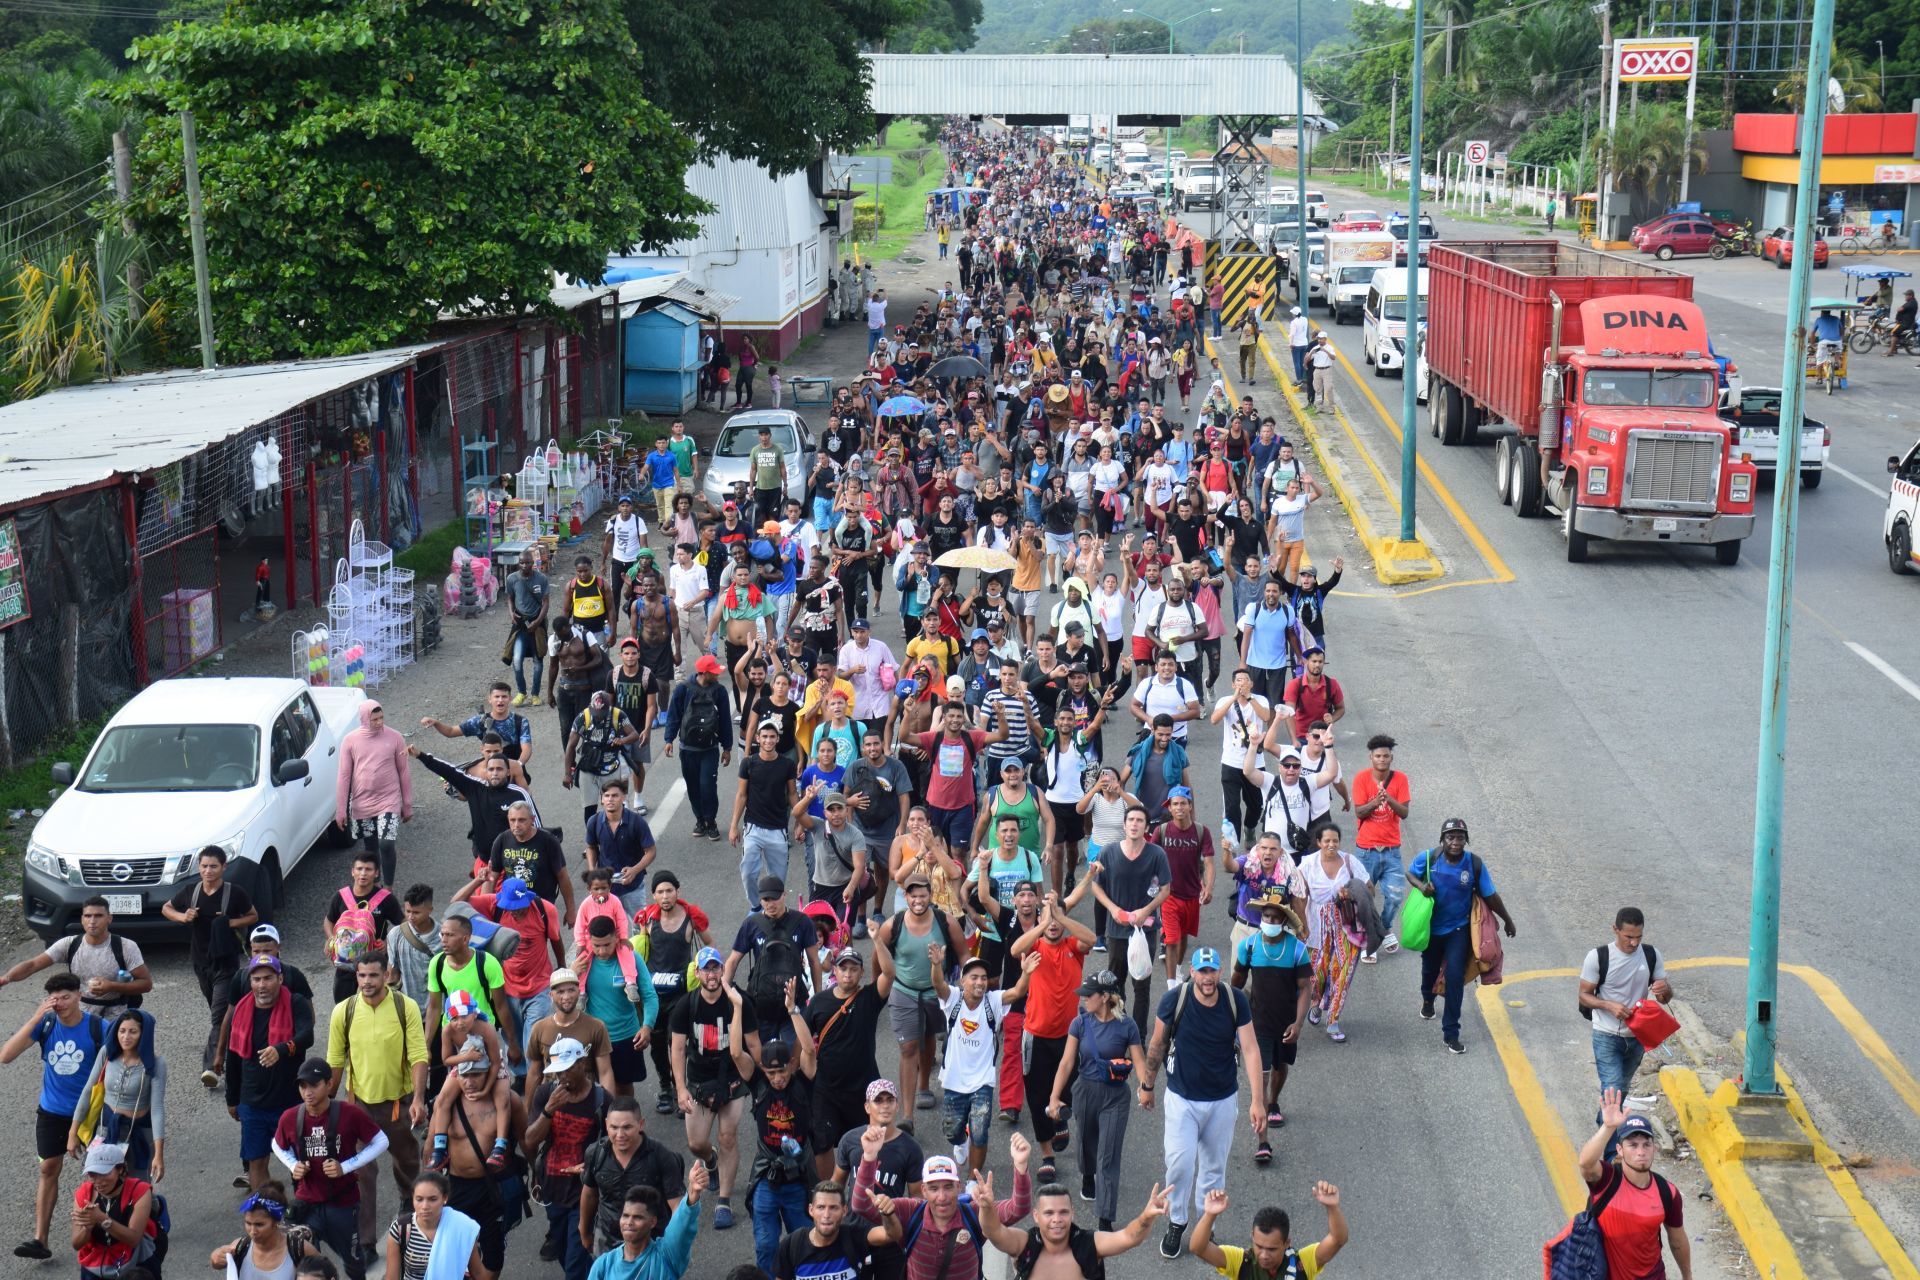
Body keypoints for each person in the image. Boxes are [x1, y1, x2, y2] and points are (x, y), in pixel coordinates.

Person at [1138, 948, 1266, 1260]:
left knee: (1213, 1169)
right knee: (1179, 1164)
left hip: (1222, 1099)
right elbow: (1157, 1044)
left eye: (1212, 971)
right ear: (1192, 973)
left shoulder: (1235, 1000)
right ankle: (1177, 1221)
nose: (1207, 978)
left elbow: (1250, 1049)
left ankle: (1205, 1225)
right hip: (1182, 1098)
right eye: (1201, 972)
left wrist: (1258, 1101)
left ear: (1219, 972)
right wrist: (1147, 1085)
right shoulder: (1174, 1000)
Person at [324, 954, 429, 1260]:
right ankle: (366, 1242)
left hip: (399, 1104)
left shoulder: (404, 1007)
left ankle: (411, 1216)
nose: (367, 982)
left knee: (407, 1162)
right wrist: (327, 1104)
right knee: (362, 1172)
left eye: (373, 975)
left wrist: (419, 1099)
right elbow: (335, 1061)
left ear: (386, 975)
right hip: (359, 1107)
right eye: (362, 976)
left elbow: (419, 1055)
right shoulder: (344, 1011)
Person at [3, 974, 109, 1259]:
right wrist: (36, 1016)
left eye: (65, 996)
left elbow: (120, 1065)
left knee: (100, 1174)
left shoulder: (99, 1028)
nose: (59, 1003)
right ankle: (40, 1240)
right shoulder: (46, 1025)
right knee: (48, 1169)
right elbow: (6, 1055)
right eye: (53, 998)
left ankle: (103, 1230)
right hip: (52, 1110)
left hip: (89, 1114)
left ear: (79, 995)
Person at [850, 1128, 1032, 1280]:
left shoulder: (976, 1212)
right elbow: (861, 1206)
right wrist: (869, 1156)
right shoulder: (910, 1211)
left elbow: (1019, 1208)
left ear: (959, 1187)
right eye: (934, 1188)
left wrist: (1021, 1166)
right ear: (923, 1191)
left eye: (948, 1187)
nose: (942, 1196)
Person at [1407, 817, 1517, 1054]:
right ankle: (1428, 999)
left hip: (1459, 930)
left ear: (1466, 840)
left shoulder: (1474, 864)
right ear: (1442, 839)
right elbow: (1410, 874)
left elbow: (1490, 895)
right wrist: (1420, 885)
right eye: (1450, 837)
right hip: (1431, 929)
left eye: (1460, 837)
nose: (1455, 842)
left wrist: (1507, 919)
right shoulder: (1429, 858)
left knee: (1455, 978)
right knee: (1430, 970)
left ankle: (1451, 1033)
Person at [275, 1058, 390, 1280]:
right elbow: (276, 1145)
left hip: (343, 1205)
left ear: (329, 1085)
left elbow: (381, 1141)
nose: (307, 1092)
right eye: (303, 1086)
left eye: (314, 1085)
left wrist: (345, 1167)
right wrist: (293, 1165)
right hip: (307, 1203)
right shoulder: (291, 1117)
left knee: (355, 1265)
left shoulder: (349, 1113)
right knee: (304, 1265)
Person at [730, 992, 818, 1275]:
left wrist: (793, 1011)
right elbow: (735, 1052)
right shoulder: (759, 1086)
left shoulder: (802, 1083)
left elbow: (809, 1050)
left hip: (798, 1176)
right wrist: (738, 1007)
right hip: (767, 1176)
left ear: (791, 1067)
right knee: (766, 1245)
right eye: (771, 1073)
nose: (777, 1079)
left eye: (781, 1072)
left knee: (804, 1244)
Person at [670, 947, 757, 1231]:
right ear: (697, 973)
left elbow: (752, 1041)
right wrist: (681, 1089)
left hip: (732, 1079)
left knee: (728, 1135)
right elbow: (678, 1048)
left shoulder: (738, 1001)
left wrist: (762, 1077)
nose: (711, 974)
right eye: (706, 969)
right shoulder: (686, 1005)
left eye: (715, 968)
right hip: (698, 1081)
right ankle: (712, 1160)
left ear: (723, 971)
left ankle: (724, 1200)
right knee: (696, 1143)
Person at [163, 845, 258, 1088]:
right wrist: (182, 917)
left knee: (219, 1016)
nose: (208, 871)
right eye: (204, 866)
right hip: (200, 962)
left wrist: (229, 922)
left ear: (224, 867)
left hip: (226, 963)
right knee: (223, 1013)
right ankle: (244, 1041)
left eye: (213, 866)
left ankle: (212, 1068)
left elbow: (253, 916)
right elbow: (167, 908)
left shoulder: (234, 893)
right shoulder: (190, 892)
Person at [932, 953, 1035, 1176]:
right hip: (954, 1080)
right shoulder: (953, 999)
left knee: (980, 1132)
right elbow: (939, 984)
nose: (980, 982)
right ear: (962, 980)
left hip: (982, 1083)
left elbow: (1017, 992)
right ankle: (961, 1141)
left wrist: (1026, 972)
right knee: (952, 1131)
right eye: (974, 977)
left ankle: (972, 1178)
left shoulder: (994, 1000)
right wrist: (936, 964)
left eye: (984, 978)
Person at [875, 876, 969, 1115]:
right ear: (905, 897)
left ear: (931, 895)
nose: (918, 900)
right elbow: (878, 957)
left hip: (936, 992)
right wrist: (879, 987)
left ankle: (924, 1086)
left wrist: (968, 982)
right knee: (908, 1047)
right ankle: (907, 1115)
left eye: (922, 895)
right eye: (913, 896)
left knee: (927, 1038)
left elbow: (963, 954)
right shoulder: (892, 924)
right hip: (903, 991)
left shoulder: (945, 922)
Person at [1230, 892, 1313, 1159]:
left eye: (1276, 918)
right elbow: (1237, 984)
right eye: (1266, 916)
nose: (1270, 921)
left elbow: (1305, 989)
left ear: (1284, 922)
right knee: (1260, 1081)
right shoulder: (1249, 946)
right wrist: (1229, 1016)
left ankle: (1274, 1101)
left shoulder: (1297, 950)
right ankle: (1263, 1142)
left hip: (1287, 1024)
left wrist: (1298, 1024)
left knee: (1281, 1067)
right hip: (1257, 1026)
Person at [1577, 1091, 1691, 1280]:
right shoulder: (1606, 1180)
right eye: (1633, 1145)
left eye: (1646, 1145)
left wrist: (1688, 1276)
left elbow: (1677, 1240)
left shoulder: (1666, 1192)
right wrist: (1608, 1127)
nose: (1641, 1152)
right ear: (1620, 1150)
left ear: (1654, 1148)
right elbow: (1586, 1164)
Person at [1580, 907, 1672, 1131]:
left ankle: (1603, 1126)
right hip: (1605, 1034)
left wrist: (1664, 989)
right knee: (1613, 1091)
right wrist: (1608, 1005)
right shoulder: (1598, 956)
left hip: (1637, 1036)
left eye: (1638, 937)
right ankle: (1610, 1152)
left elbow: (1665, 997)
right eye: (1628, 937)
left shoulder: (1651, 955)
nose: (1633, 943)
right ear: (1615, 930)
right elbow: (1583, 995)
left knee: (1620, 1089)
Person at [229, 956, 317, 1191]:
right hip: (252, 1103)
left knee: (300, 1162)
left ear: (280, 979)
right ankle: (266, 1216)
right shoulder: (242, 1009)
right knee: (257, 1162)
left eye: (268, 978)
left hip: (289, 1102)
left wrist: (281, 1049)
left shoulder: (295, 1002)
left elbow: (307, 1036)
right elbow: (234, 1057)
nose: (262, 984)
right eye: (256, 979)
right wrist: (232, 1099)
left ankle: (302, 1212)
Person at [525, 1038, 609, 1280]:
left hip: (584, 1191)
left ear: (583, 1063)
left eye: (568, 1069)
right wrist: (548, 1111)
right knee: (562, 1251)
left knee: (574, 1262)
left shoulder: (601, 1099)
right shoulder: (546, 1094)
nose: (562, 1076)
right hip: (553, 1187)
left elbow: (616, 1145)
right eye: (557, 1071)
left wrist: (591, 1164)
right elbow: (530, 1140)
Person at [1085, 805, 1170, 1034]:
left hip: (1146, 930)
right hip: (1117, 930)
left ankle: (1139, 1034)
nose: (1134, 824)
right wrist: (1113, 909)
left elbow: (1165, 889)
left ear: (1146, 826)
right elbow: (1096, 886)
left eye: (1139, 820)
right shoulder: (1108, 853)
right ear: (1124, 825)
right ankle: (1119, 1030)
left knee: (1142, 985)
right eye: (1130, 820)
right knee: (1115, 984)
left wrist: (1146, 910)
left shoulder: (1156, 854)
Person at [0, 896, 153, 1020]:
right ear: (82, 919)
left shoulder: (126, 946)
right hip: (80, 1016)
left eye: (98, 916)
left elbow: (146, 984)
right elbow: (32, 965)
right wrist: (6, 978)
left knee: (111, 1057)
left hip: (116, 1016)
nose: (92, 921)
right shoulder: (69, 944)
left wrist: (112, 986)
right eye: (88, 916)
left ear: (109, 919)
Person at [578, 1095, 687, 1255]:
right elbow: (589, 1195)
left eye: (627, 1127)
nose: (620, 1134)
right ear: (606, 1124)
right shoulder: (595, 1153)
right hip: (607, 1242)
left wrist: (674, 1243)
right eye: (614, 1127)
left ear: (641, 1124)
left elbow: (676, 1205)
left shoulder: (661, 1156)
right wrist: (584, 1231)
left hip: (651, 1243)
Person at [68, 1008, 165, 1182]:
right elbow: (88, 1090)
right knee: (102, 1182)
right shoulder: (107, 1053)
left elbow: (157, 1109)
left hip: (137, 1132)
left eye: (133, 1032)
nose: (126, 1037)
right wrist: (72, 1132)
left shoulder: (156, 1064)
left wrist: (158, 1154)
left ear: (144, 1034)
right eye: (122, 1031)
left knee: (138, 1186)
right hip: (105, 1128)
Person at [1190, 1184, 1349, 1280]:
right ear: (1252, 1237)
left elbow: (1337, 1239)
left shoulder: (1303, 1263)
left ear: (1287, 1243)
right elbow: (1198, 1248)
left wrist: (1332, 1207)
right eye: (1259, 1246)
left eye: (1272, 1249)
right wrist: (1210, 1214)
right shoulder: (1240, 1262)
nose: (1264, 1255)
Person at [335, 701, 414, 888]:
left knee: (386, 843)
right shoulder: (350, 741)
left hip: (389, 799)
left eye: (381, 718)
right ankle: (375, 885)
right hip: (362, 802)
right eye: (374, 719)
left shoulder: (395, 737)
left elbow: (403, 771)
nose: (379, 723)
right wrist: (341, 809)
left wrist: (407, 804)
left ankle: (388, 887)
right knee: (370, 848)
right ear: (364, 719)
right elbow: (344, 776)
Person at [585, 1163, 710, 1280]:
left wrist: (693, 1192)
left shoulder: (667, 1255)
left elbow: (681, 1226)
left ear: (652, 1222)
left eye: (637, 1217)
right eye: (626, 1216)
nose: (629, 1222)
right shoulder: (604, 1265)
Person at [665, 653, 736, 842]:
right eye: (714, 672)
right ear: (704, 673)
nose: (717, 675)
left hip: (710, 750)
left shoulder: (719, 691)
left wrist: (727, 747)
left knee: (708, 786)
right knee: (693, 787)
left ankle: (710, 821)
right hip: (687, 749)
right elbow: (674, 716)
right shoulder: (682, 690)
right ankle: (700, 820)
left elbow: (724, 722)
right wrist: (668, 740)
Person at [730, 723, 801, 907]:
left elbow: (792, 793)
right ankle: (755, 907)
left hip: (778, 829)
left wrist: (800, 821)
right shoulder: (748, 763)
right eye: (765, 736)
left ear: (777, 739)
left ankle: (774, 910)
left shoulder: (787, 764)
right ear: (757, 738)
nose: (768, 740)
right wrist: (733, 826)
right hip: (753, 828)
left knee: (777, 880)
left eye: (772, 736)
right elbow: (741, 795)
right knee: (748, 872)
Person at [774, 1179, 899, 1280]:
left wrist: (887, 1213)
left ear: (844, 1211)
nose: (827, 1215)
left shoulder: (854, 1236)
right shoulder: (792, 1245)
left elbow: (892, 1235)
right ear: (811, 1210)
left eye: (833, 1208)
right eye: (821, 1207)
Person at [69, 1140, 159, 1277]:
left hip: (136, 1264)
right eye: (92, 1174)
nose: (98, 1180)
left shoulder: (139, 1191)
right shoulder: (84, 1193)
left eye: (104, 1173)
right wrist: (88, 1226)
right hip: (95, 1266)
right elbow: (76, 1244)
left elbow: (134, 1239)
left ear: (120, 1169)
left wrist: (102, 1219)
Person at [211, 1179, 325, 1276]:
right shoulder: (240, 1248)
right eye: (248, 1223)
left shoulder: (299, 1249)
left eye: (259, 1224)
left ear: (277, 1221)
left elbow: (328, 1273)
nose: (252, 1231)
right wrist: (215, 1257)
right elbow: (216, 1262)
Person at [384, 1171, 483, 1280]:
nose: (425, 1206)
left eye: (432, 1199)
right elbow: (391, 1277)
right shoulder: (400, 1229)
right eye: (419, 1199)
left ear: (444, 1198)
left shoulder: (461, 1228)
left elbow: (478, 1273)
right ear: (412, 1198)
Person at [505, 551, 551, 703]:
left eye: (528, 562)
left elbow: (545, 602)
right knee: (517, 659)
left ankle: (535, 694)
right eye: (522, 563)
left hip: (537, 625)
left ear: (533, 563)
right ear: (518, 563)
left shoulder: (541, 579)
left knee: (538, 659)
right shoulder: (512, 579)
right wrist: (512, 614)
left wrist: (538, 621)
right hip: (520, 625)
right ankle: (521, 692)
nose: (525, 565)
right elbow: (510, 599)